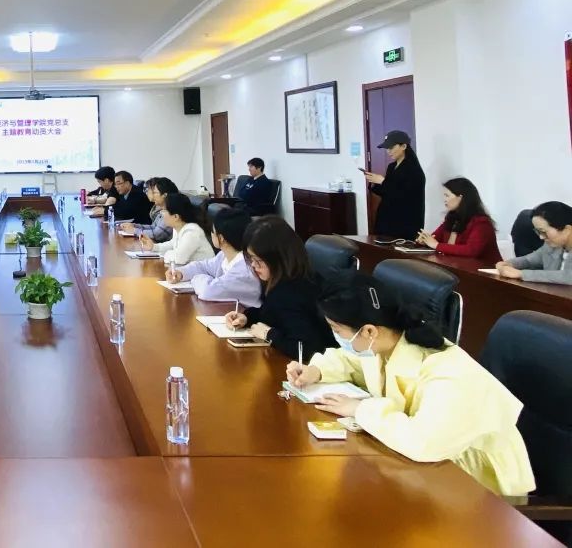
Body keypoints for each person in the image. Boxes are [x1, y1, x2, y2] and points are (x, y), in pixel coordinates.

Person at [286, 271, 534, 497]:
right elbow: (351, 360)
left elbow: (424, 443)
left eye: (337, 330)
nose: (336, 337)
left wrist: (360, 409)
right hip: (426, 470)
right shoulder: (386, 344)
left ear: (369, 331)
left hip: (480, 489)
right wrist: (316, 371)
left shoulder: (449, 373)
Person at [224, 216, 335, 360]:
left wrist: (269, 334)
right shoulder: (296, 277)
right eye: (251, 259)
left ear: (278, 258)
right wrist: (247, 317)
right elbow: (274, 314)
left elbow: (307, 349)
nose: (254, 265)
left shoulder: (290, 293)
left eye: (258, 260)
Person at [165, 207, 261, 305]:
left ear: (221, 238)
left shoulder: (245, 269)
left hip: (245, 313)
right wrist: (181, 273)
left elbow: (208, 291)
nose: (211, 234)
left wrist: (196, 278)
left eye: (212, 231)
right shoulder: (223, 256)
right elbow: (203, 266)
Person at [415, 178, 502, 264]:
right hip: (457, 267)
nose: (444, 199)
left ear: (460, 197)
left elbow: (471, 251)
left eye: (447, 195)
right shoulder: (451, 218)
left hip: (484, 271)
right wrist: (424, 241)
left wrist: (436, 245)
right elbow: (435, 238)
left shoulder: (481, 223)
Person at [363, 130, 426, 240]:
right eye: (387, 148)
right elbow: (387, 191)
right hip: (386, 219)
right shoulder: (391, 167)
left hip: (404, 222)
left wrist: (383, 181)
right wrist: (374, 181)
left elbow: (405, 196)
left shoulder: (413, 170)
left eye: (391, 147)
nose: (388, 151)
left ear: (404, 146)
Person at [496, 201, 572, 284]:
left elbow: (568, 277)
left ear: (567, 230)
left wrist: (521, 274)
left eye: (543, 232)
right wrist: (508, 264)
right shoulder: (551, 245)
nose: (541, 237)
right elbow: (528, 261)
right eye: (538, 232)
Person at [140, 193, 215, 265]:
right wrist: (154, 247)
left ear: (176, 216)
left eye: (164, 211)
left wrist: (167, 254)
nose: (161, 214)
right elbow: (172, 244)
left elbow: (179, 259)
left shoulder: (192, 232)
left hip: (203, 273)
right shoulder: (179, 227)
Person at [120, 177, 177, 242]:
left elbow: (157, 234)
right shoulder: (163, 209)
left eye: (155, 192)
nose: (153, 195)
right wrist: (134, 226)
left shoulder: (171, 211)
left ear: (164, 195)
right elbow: (154, 227)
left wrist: (134, 231)